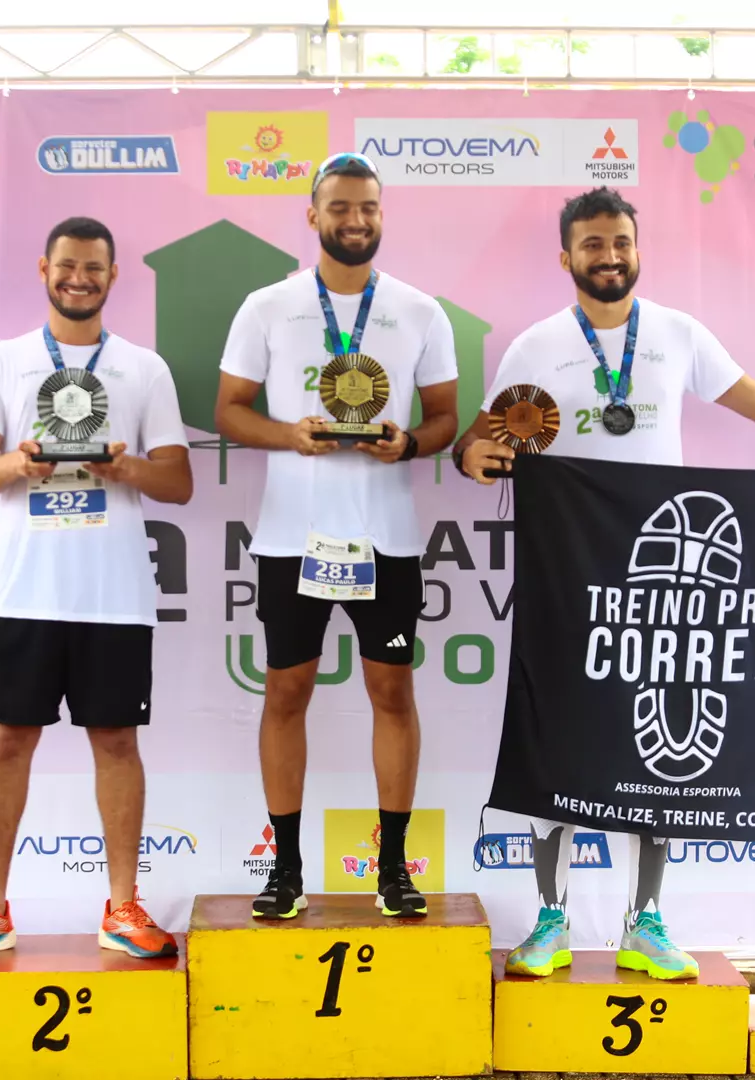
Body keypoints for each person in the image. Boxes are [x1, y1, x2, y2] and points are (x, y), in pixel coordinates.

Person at [453, 186, 755, 980]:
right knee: (561, 731)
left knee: (656, 739)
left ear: (637, 249)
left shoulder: (678, 334)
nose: (609, 256)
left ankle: (645, 921)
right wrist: (470, 456)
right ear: (566, 256)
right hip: (571, 569)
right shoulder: (537, 347)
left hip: (664, 574)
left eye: (620, 241)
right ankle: (550, 919)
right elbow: (478, 441)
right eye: (592, 244)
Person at [0, 216, 194, 961]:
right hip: (19, 594)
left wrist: (124, 468)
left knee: (117, 743)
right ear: (43, 270)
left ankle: (123, 905)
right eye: (67, 266)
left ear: (114, 277)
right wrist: (21, 464)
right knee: (6, 744)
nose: (79, 279)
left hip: (113, 596)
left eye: (93, 268)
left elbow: (177, 481)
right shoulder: (0, 360)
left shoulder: (144, 369)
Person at [215, 152, 461, 920]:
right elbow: (229, 410)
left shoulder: (420, 311)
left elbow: (445, 420)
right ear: (313, 215)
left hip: (386, 540)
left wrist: (408, 444)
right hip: (293, 539)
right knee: (286, 693)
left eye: (368, 208)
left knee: (393, 693)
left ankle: (393, 869)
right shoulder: (266, 306)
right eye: (341, 207)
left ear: (382, 215)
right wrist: (290, 435)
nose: (356, 220)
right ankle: (285, 870)